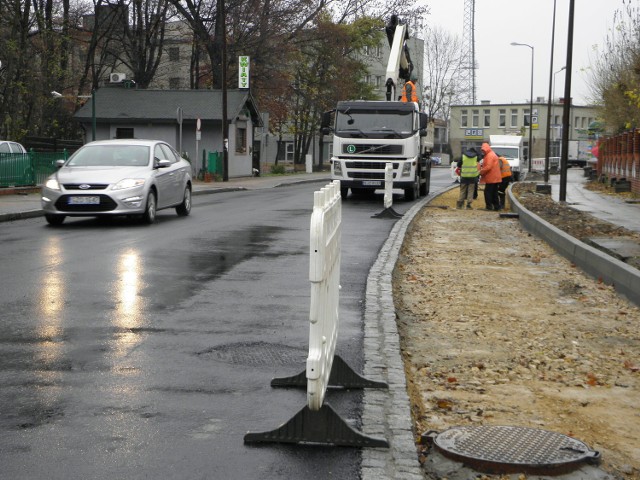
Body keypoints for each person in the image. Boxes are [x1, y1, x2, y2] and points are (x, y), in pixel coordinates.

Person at [479, 142, 501, 211]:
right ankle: (496, 207)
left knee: (487, 192)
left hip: (491, 177)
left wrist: (481, 172)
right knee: (494, 192)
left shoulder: (489, 156)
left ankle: (489, 206)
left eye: (483, 150)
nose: (482, 152)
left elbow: (488, 167)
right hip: (495, 177)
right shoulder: (492, 154)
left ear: (486, 149)